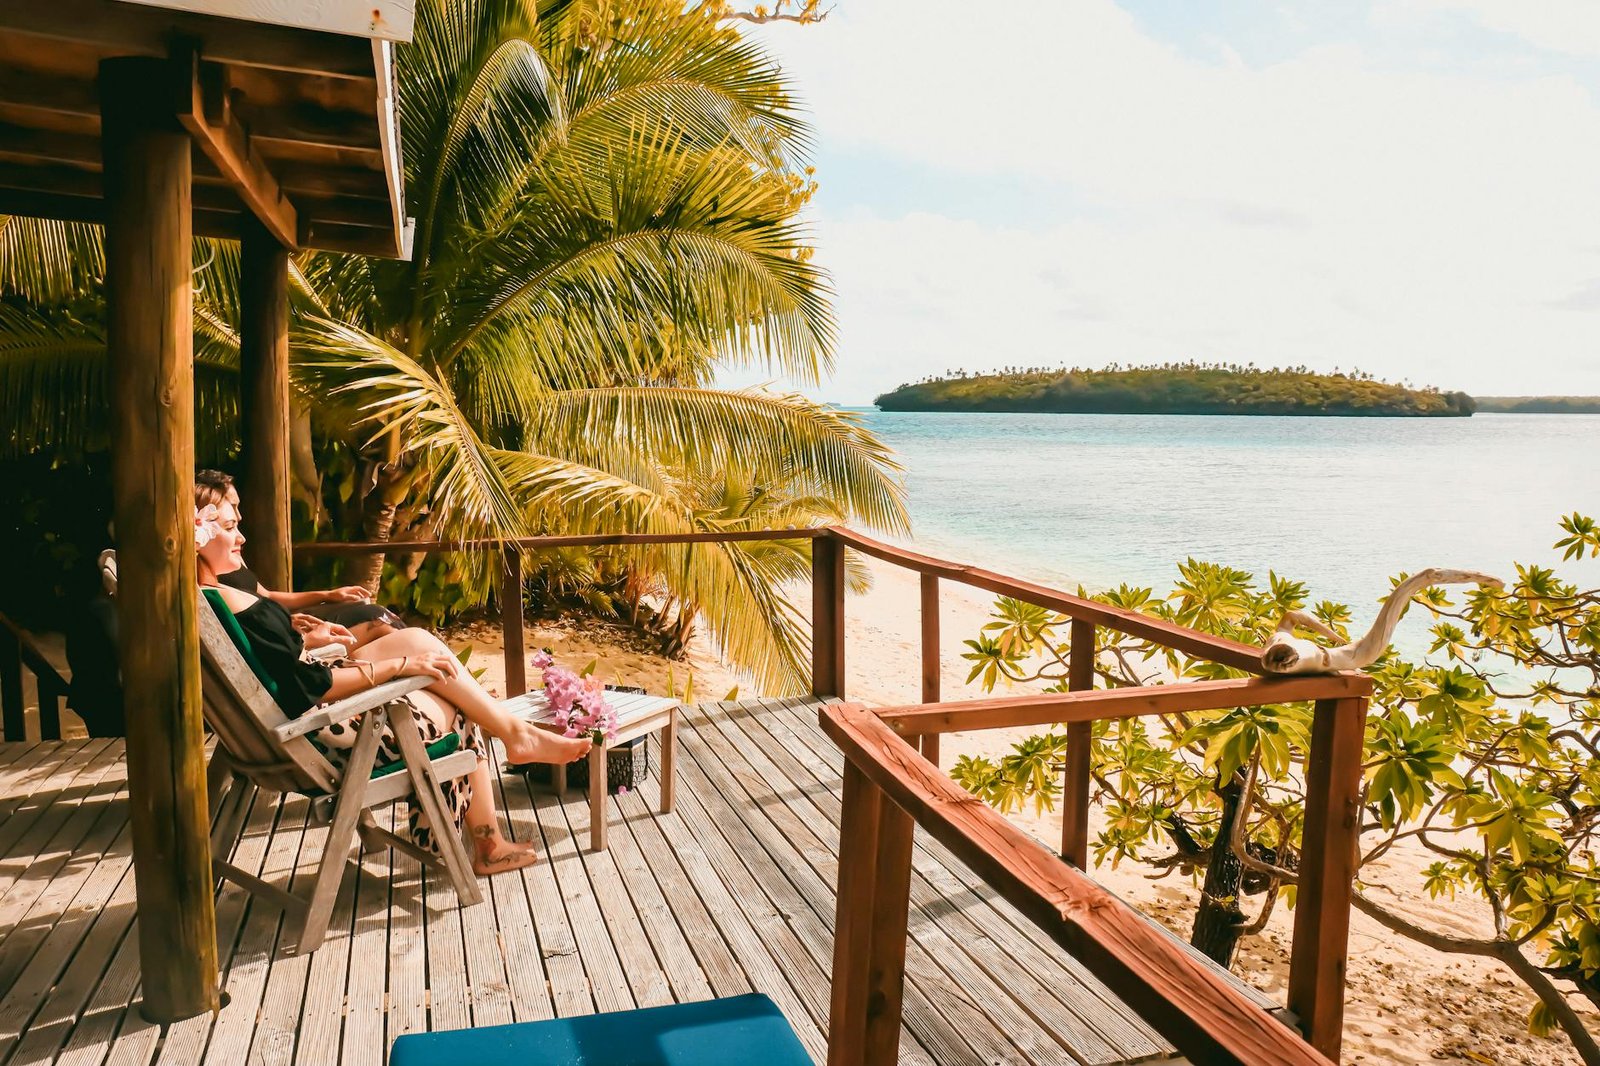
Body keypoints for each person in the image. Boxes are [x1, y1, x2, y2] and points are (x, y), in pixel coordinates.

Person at [194, 482, 590, 874]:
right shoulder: (234, 604)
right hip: (331, 735)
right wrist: (401, 667)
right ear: (198, 539)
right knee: (455, 698)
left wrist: (308, 640)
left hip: (290, 728)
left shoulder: (211, 599)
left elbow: (281, 666)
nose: (241, 536)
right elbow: (315, 688)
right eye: (229, 527)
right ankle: (490, 841)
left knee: (420, 646)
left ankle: (513, 736)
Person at [194, 469, 402, 650]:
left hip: (281, 624)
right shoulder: (214, 586)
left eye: (237, 506)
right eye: (231, 507)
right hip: (282, 632)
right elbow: (252, 634)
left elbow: (267, 596)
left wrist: (329, 595)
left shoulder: (229, 562)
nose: (239, 515)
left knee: (376, 613)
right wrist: (293, 631)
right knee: (379, 621)